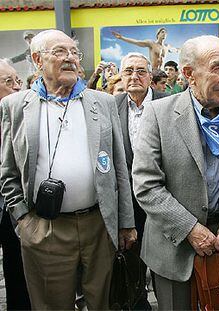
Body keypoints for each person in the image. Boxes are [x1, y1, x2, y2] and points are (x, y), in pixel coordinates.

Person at [132, 35, 219, 310]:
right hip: (173, 252)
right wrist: (189, 229)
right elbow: (146, 185)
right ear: (189, 74)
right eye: (217, 68)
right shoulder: (158, 115)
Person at [0, 29, 137, 310]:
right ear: (37, 59)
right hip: (45, 227)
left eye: (74, 52)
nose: (70, 58)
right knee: (52, 305)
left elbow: (119, 167)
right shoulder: (15, 106)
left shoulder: (103, 102)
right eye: (60, 52)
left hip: (98, 225)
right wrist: (24, 221)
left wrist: (126, 221)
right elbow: (8, 172)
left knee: (102, 303)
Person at [114, 52, 166, 310]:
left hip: (163, 198)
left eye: (141, 71)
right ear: (121, 76)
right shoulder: (111, 106)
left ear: (150, 75)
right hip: (127, 203)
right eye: (129, 71)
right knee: (132, 263)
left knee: (164, 264)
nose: (135, 76)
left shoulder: (168, 103)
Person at [0, 59, 31, 311]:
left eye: (17, 80)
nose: (16, 87)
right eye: (8, 82)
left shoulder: (21, 114)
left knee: (19, 274)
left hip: (15, 212)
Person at [112, 27, 179, 70]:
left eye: (165, 33)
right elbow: (137, 42)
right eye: (162, 32)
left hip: (162, 71)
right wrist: (122, 38)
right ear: (158, 34)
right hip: (153, 70)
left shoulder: (167, 47)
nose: (164, 34)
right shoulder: (151, 43)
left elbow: (176, 50)